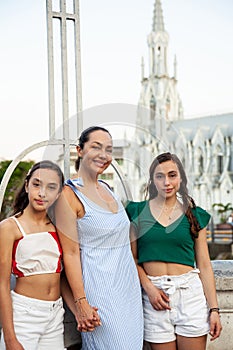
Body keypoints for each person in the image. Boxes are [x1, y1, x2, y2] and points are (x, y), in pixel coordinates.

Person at [55, 126, 143, 349]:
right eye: (96, 147)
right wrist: (81, 304)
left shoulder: (107, 188)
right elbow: (71, 254)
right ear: (80, 150)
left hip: (129, 295)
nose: (104, 155)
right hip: (101, 297)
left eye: (109, 149)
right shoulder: (69, 194)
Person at [126, 152, 222, 350]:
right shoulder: (137, 212)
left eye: (172, 175)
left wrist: (214, 309)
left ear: (181, 178)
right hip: (155, 298)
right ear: (152, 181)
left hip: (190, 294)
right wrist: (149, 288)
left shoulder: (195, 215)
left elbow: (204, 264)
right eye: (159, 176)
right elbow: (131, 259)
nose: (166, 182)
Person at [0, 160, 65, 350]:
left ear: (58, 193)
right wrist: (10, 338)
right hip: (24, 315)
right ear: (27, 185)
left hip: (55, 314)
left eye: (51, 187)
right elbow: (2, 284)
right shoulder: (9, 227)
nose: (42, 193)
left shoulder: (59, 227)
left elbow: (61, 278)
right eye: (37, 184)